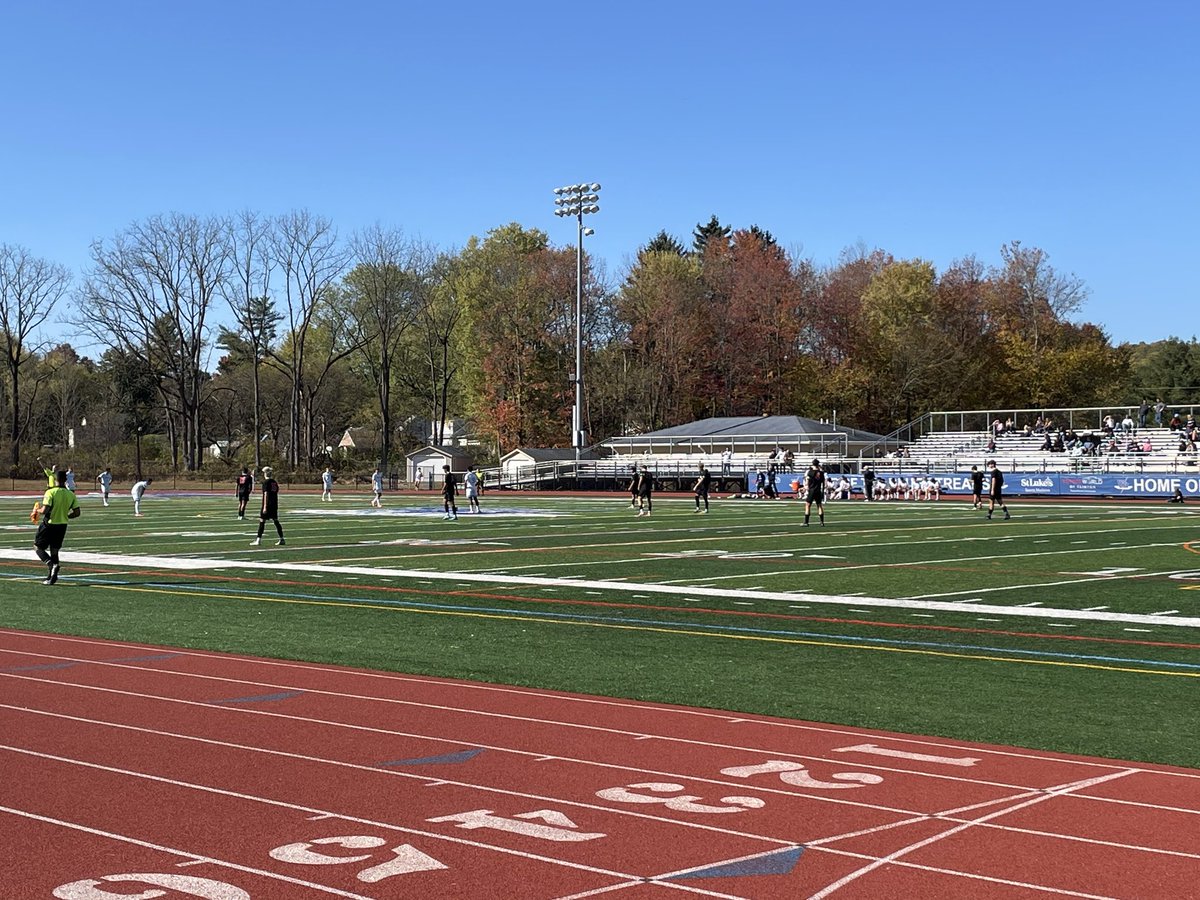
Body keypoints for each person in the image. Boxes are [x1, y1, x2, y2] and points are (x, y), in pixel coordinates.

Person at [34, 470, 80, 585]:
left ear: (55, 480)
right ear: (66, 480)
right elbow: (77, 512)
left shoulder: (51, 492)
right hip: (62, 525)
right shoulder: (70, 494)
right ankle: (51, 577)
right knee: (54, 550)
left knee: (37, 547)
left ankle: (50, 564)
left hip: (49, 524)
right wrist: (66, 515)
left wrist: (36, 510)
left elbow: (45, 510)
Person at [251, 465, 285, 546]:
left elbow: (266, 494)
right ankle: (282, 538)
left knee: (262, 521)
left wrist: (265, 506)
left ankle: (258, 540)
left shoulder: (266, 482)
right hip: (274, 503)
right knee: (276, 521)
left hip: (268, 504)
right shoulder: (274, 482)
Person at [802, 459, 826, 526]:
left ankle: (806, 522)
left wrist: (805, 487)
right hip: (818, 490)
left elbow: (807, 481)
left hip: (812, 490)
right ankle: (822, 522)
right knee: (819, 505)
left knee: (808, 505)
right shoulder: (821, 473)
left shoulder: (810, 472)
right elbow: (823, 482)